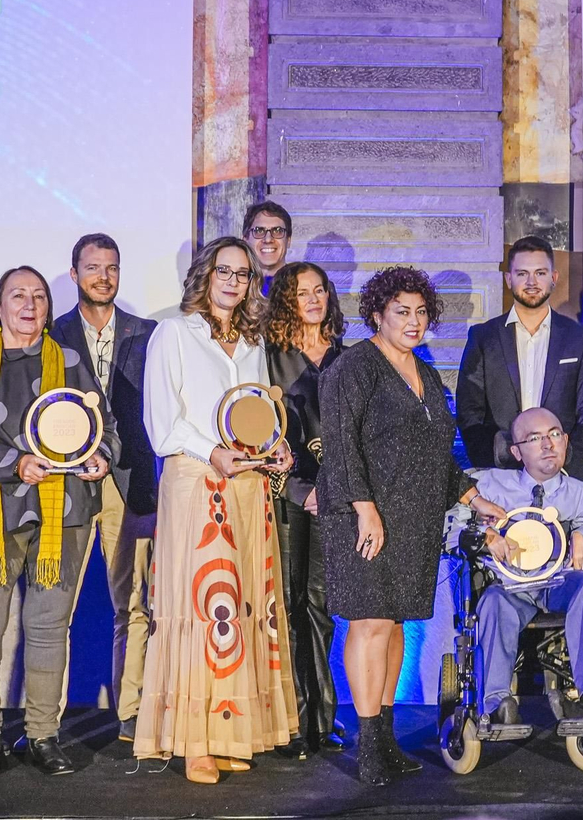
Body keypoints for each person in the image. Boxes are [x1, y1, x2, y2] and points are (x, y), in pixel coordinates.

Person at [318, 265, 506, 785]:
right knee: (369, 624)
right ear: (377, 314)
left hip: (415, 519)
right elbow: (340, 445)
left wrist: (472, 496)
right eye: (402, 311)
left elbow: (435, 452)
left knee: (397, 624)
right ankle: (367, 744)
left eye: (422, 312)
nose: (414, 321)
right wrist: (364, 507)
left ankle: (385, 740)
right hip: (364, 519)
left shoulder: (423, 371)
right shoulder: (353, 368)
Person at [0, 267, 118, 781]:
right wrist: (13, 464)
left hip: (61, 516)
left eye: (39, 296)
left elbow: (103, 426)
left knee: (47, 631)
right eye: (17, 295)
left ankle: (43, 734)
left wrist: (100, 458)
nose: (30, 303)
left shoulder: (71, 362)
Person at [135, 237, 299, 782]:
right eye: (223, 271)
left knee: (245, 605)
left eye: (244, 274)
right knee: (207, 608)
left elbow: (251, 417)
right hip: (197, 481)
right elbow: (162, 427)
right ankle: (195, 741)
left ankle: (234, 734)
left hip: (248, 487)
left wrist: (271, 449)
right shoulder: (173, 334)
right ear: (203, 276)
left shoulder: (252, 342)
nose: (233, 281)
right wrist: (214, 453)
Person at [50, 233, 157, 743]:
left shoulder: (149, 334)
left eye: (112, 267)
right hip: (64, 485)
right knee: (53, 610)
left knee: (134, 604)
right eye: (93, 267)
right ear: (74, 274)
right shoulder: (50, 334)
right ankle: (44, 723)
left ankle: (130, 715)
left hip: (131, 483)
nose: (104, 276)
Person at [452, 408, 583, 726]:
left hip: (558, 585)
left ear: (566, 441)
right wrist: (484, 534)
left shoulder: (577, 493)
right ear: (515, 451)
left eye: (555, 435)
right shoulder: (490, 485)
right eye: (535, 438)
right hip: (509, 588)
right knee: (493, 601)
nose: (548, 444)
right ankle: (497, 702)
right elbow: (452, 529)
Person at [264, 260, 349, 757]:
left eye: (320, 290)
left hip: (334, 498)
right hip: (282, 496)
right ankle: (291, 722)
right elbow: (257, 428)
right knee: (287, 606)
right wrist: (297, 487)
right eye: (301, 292)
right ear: (286, 301)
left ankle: (325, 720)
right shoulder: (268, 358)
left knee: (320, 605)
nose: (313, 299)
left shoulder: (348, 357)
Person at [457, 235, 583, 483]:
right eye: (522, 273)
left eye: (540, 273)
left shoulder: (580, 337)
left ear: (553, 278)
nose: (531, 282)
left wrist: (563, 458)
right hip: (500, 477)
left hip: (566, 477)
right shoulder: (484, 337)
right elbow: (468, 411)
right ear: (508, 279)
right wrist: (490, 460)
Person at [243, 200, 293, 294]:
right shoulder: (233, 287)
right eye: (259, 231)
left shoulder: (308, 285)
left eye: (277, 231)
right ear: (245, 240)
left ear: (288, 240)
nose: (268, 239)